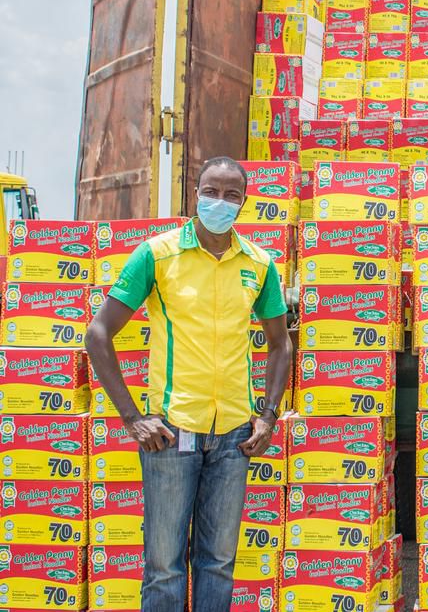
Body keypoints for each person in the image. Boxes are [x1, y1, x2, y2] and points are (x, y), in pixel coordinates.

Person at [86, 156, 292, 612]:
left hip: (235, 435)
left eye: (231, 195)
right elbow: (98, 334)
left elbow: (281, 344)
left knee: (218, 561)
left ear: (244, 203)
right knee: (164, 567)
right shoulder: (157, 254)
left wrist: (268, 415)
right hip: (172, 430)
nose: (220, 202)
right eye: (211, 192)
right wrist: (132, 418)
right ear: (195, 196)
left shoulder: (259, 263)